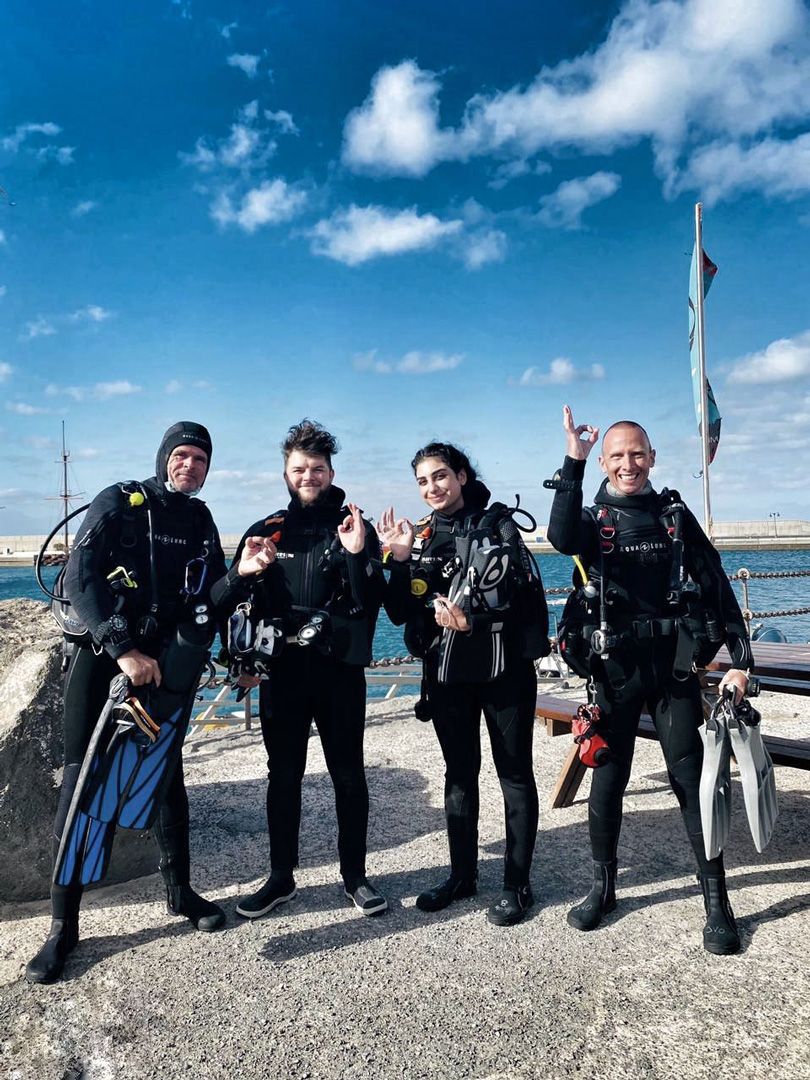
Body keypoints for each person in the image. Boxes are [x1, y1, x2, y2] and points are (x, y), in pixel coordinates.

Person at [26, 422, 228, 985]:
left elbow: (210, 592)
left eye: (199, 459)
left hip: (163, 663)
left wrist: (244, 576)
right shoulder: (120, 500)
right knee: (81, 783)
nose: (189, 466)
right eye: (181, 456)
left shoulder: (199, 520)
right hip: (103, 658)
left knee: (166, 778)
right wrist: (122, 649)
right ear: (165, 458)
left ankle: (180, 893)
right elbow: (80, 575)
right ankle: (62, 928)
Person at [546, 405, 752, 955]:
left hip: (673, 672)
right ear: (605, 463)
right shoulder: (593, 522)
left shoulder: (674, 516)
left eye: (637, 453)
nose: (628, 463)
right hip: (614, 673)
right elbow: (559, 535)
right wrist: (574, 461)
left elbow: (715, 583)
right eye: (617, 456)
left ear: (653, 458)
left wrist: (741, 658)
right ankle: (602, 889)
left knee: (691, 782)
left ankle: (717, 902)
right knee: (607, 782)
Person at [211, 420, 388, 917]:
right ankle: (281, 879)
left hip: (338, 674)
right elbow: (231, 603)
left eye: (317, 468)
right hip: (283, 674)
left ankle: (355, 877)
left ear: (331, 472)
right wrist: (245, 571)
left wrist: (358, 556)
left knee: (348, 775)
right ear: (286, 473)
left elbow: (373, 600)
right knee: (282, 776)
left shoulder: (354, 527)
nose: (308, 476)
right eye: (299, 469)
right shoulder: (266, 529)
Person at [379, 443, 549, 926]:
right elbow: (398, 612)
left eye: (440, 476)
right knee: (459, 775)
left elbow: (524, 601)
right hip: (449, 676)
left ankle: (517, 883)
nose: (432, 488)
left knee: (514, 774)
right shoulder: (422, 535)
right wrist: (399, 559)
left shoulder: (497, 526)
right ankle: (461, 876)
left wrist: (474, 620)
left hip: (504, 672)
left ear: (462, 475)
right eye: (422, 481)